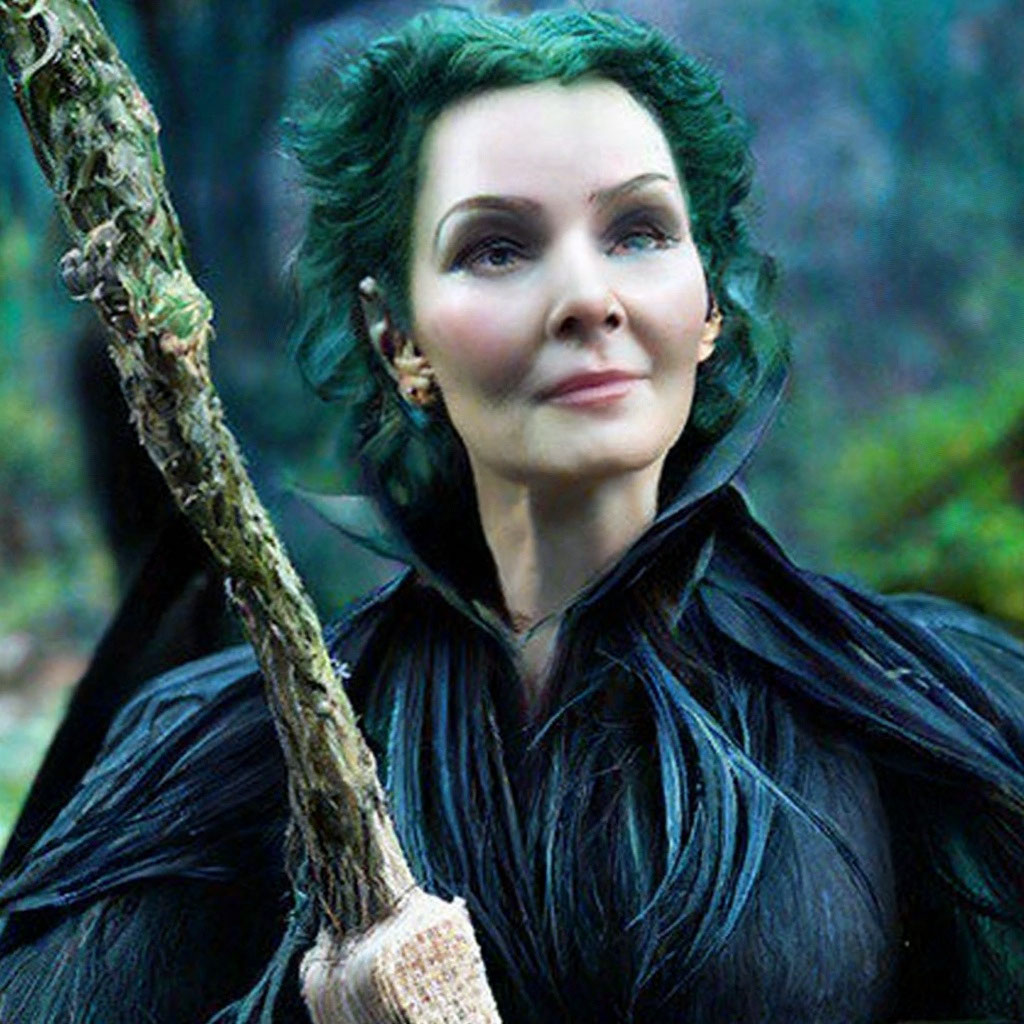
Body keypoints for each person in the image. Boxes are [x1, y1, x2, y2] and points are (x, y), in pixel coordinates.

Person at [1, 7, 1023, 1023]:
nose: (587, 298)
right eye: (496, 248)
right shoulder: (228, 754)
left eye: (639, 232)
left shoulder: (928, 705)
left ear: (707, 303)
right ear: (397, 338)